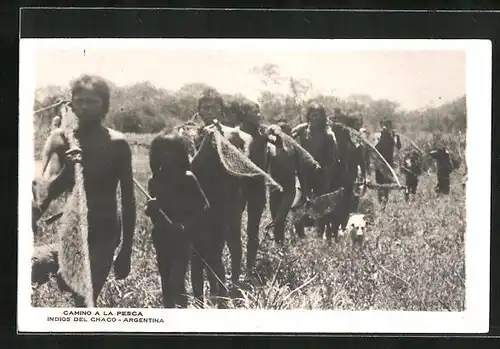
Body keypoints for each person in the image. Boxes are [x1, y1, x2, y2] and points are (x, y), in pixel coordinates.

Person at [33, 74, 136, 306]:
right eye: (80, 101)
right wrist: (35, 212)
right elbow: (51, 188)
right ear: (71, 103)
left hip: (105, 231)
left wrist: (126, 249)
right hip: (72, 230)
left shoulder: (117, 143)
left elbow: (128, 199)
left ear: (104, 106)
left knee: (85, 297)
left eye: (92, 101)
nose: (85, 107)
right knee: (46, 274)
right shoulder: (62, 140)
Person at [146, 132, 209, 308]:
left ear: (179, 154)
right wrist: (151, 208)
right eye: (162, 151)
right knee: (166, 279)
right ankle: (169, 313)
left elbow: (203, 206)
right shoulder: (155, 180)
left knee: (176, 279)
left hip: (182, 237)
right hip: (161, 236)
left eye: (171, 151)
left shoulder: (187, 178)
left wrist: (185, 225)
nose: (166, 155)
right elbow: (151, 211)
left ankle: (182, 310)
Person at [374, 119, 401, 205]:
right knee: (381, 185)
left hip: (388, 165)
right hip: (380, 165)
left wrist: (397, 137)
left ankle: (384, 202)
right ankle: (381, 202)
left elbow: (399, 146)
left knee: (386, 185)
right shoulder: (379, 138)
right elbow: (375, 149)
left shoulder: (390, 138)